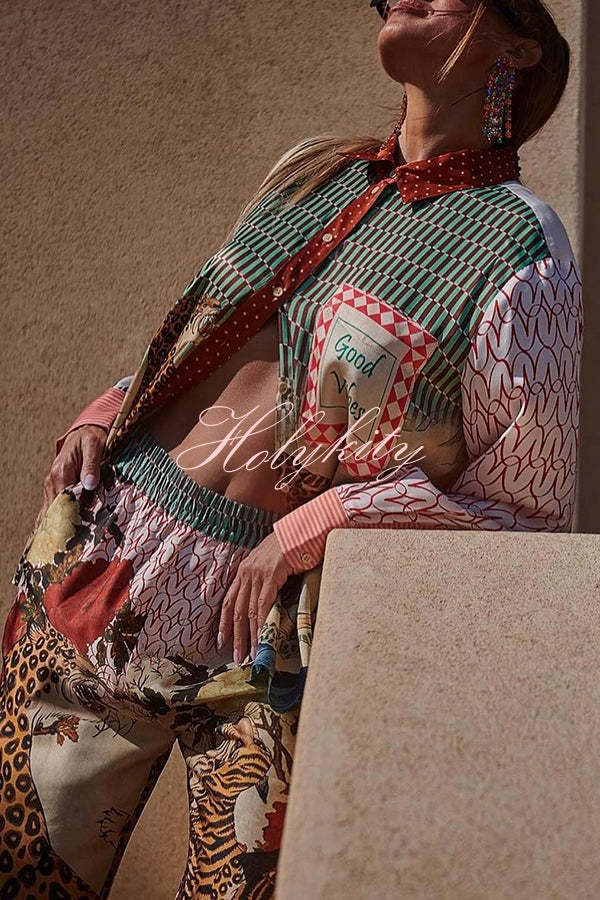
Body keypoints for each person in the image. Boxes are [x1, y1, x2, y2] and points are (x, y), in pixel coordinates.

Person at [0, 0, 582, 897]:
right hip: (103, 549)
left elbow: (527, 508)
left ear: (519, 44)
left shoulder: (522, 252)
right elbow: (210, 328)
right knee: (17, 874)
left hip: (265, 636)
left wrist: (319, 521)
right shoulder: (315, 172)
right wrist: (105, 412)